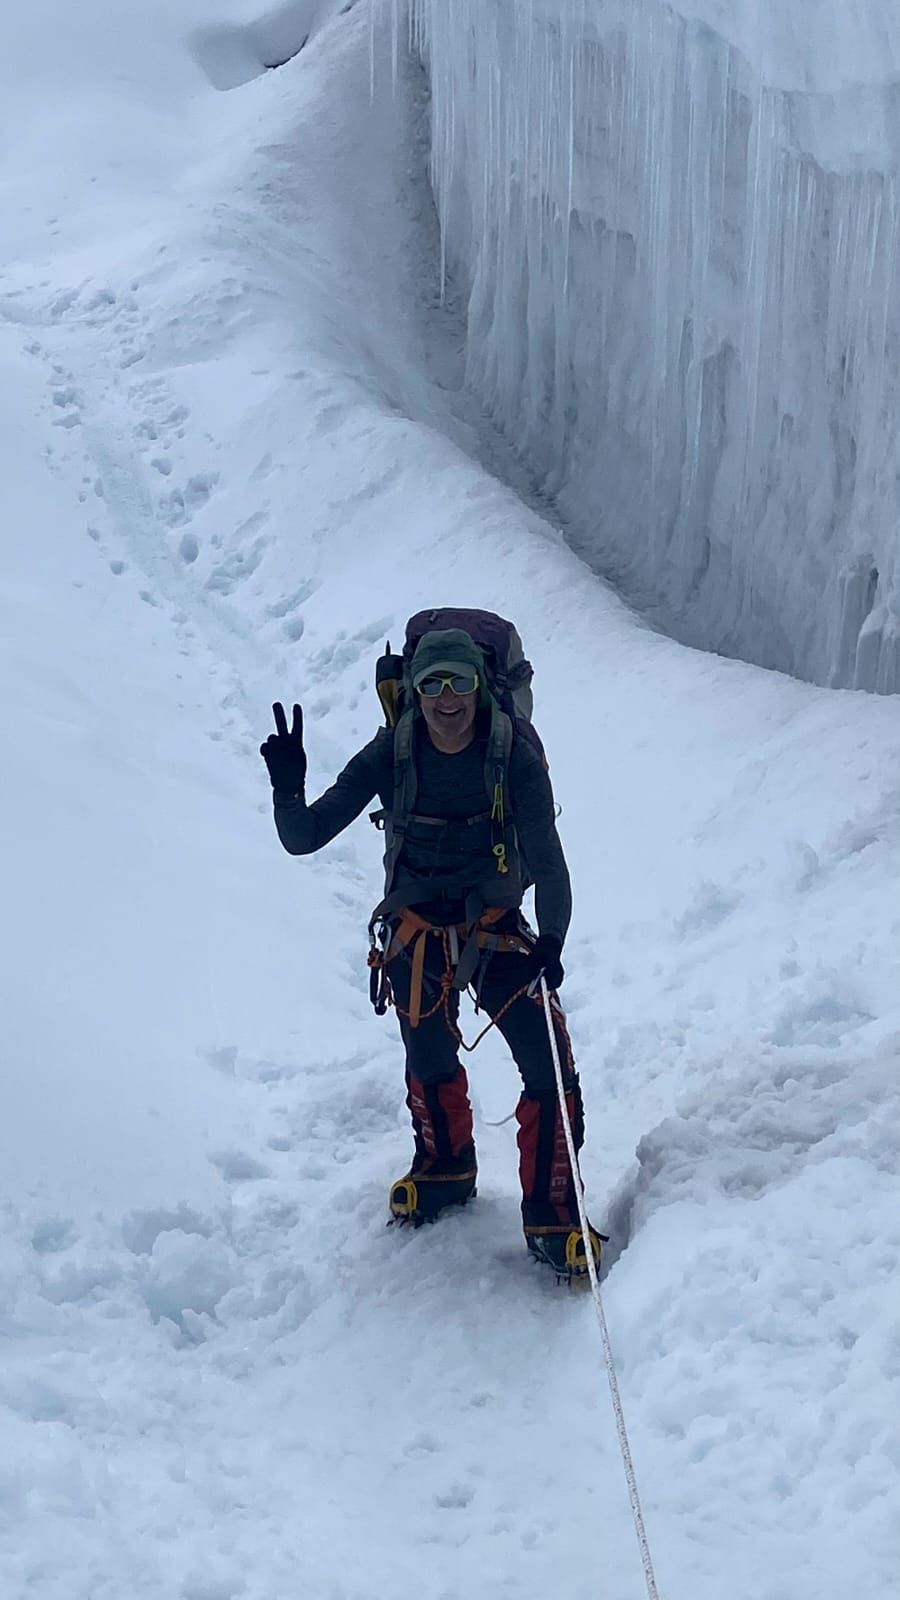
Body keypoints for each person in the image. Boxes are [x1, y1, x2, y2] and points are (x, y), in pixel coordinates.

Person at [261, 625, 602, 1278]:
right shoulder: (394, 751)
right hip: (417, 925)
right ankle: (445, 1168)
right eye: (433, 683)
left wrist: (552, 941)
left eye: (461, 682)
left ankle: (553, 1211)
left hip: (496, 923)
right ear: (415, 691)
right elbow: (303, 837)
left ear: (480, 686)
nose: (448, 698)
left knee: (546, 1061)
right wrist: (287, 789)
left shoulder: (514, 757)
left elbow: (550, 865)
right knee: (428, 1051)